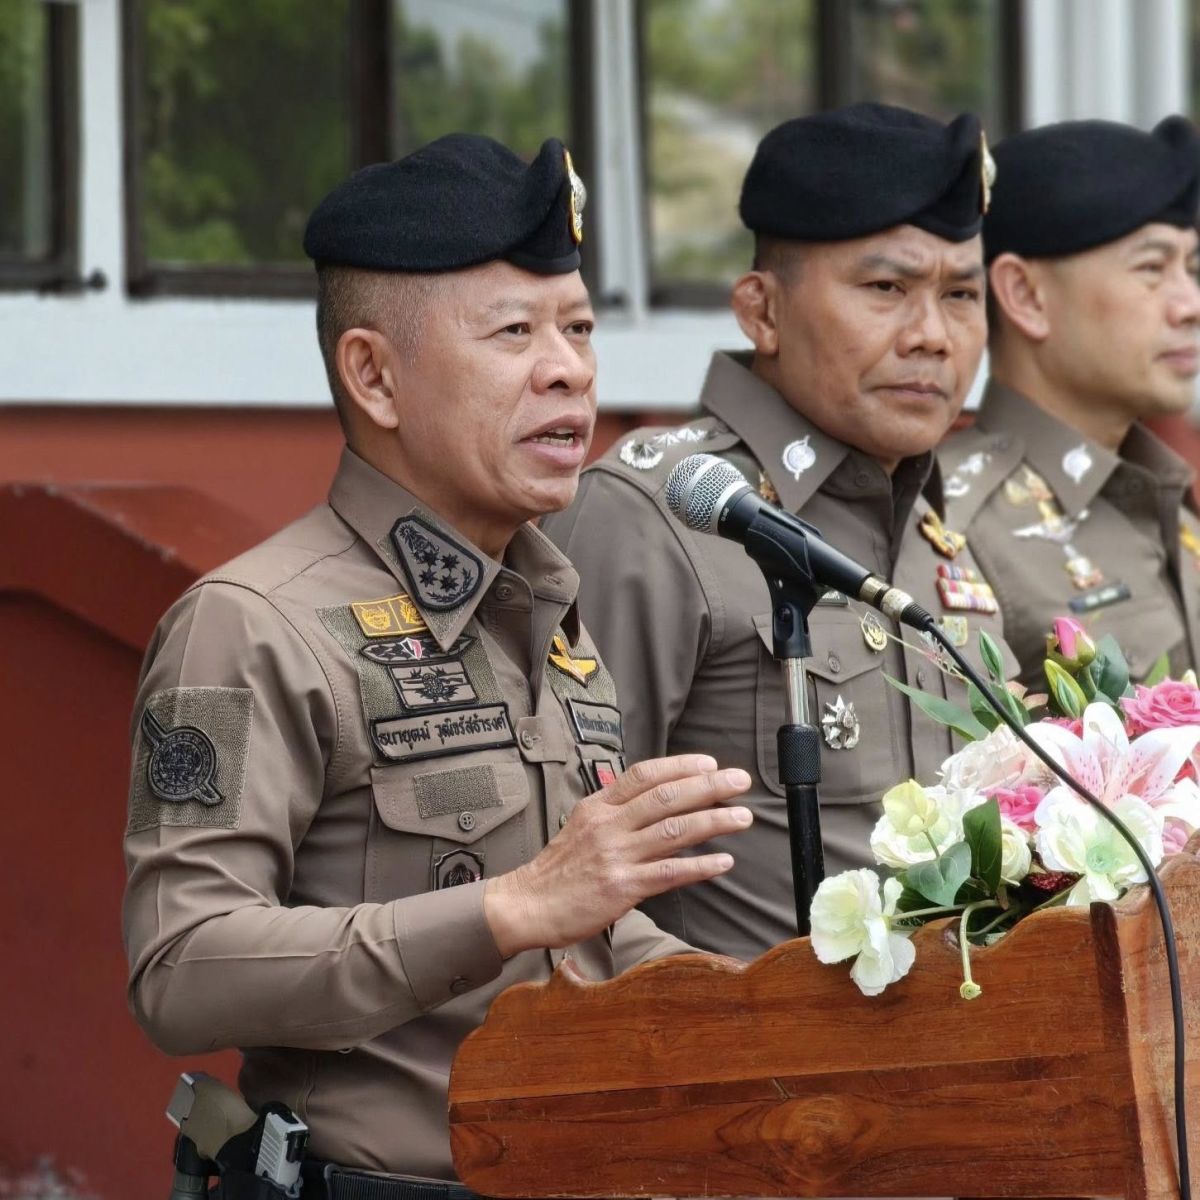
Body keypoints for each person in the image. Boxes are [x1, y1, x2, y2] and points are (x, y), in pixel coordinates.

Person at [121, 134, 754, 1187]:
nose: (569, 368)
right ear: (374, 376)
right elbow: (181, 970)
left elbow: (579, 935)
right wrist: (505, 910)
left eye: (579, 327)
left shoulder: (546, 611)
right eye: (513, 331)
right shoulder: (251, 623)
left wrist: (767, 1010)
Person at [543, 103, 1013, 961]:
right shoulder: (656, 515)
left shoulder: (936, 526)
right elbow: (561, 877)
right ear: (761, 312)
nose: (933, 337)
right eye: (886, 289)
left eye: (961, 296)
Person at [938, 116, 1200, 686]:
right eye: (1152, 268)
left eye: (1192, 268)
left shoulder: (1165, 500)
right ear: (1026, 295)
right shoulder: (950, 523)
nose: (1190, 305)